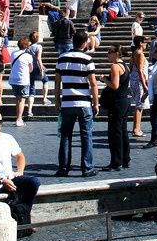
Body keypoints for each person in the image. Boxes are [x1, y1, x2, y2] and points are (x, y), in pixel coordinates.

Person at [55, 32, 99, 178]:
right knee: (86, 136)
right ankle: (87, 168)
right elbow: (93, 83)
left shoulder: (62, 57)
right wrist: (96, 103)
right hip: (84, 102)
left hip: (67, 102)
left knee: (65, 136)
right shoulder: (87, 59)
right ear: (85, 43)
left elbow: (57, 82)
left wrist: (57, 100)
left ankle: (63, 168)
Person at [100, 45, 131, 171]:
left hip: (117, 103)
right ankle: (125, 159)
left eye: (109, 52)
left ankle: (116, 162)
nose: (107, 54)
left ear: (116, 53)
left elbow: (114, 85)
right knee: (123, 131)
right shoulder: (126, 65)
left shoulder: (115, 66)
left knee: (114, 133)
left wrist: (104, 79)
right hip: (124, 101)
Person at [9, 37, 35, 126]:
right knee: (22, 100)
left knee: (17, 99)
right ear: (27, 46)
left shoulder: (13, 54)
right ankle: (19, 119)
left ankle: (18, 117)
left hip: (13, 78)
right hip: (23, 79)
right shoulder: (28, 56)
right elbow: (31, 69)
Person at [130, 37, 150, 137]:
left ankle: (136, 128)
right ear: (141, 43)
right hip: (139, 81)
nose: (147, 45)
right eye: (145, 42)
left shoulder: (135, 53)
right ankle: (136, 129)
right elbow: (140, 70)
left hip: (135, 80)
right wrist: (144, 85)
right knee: (140, 104)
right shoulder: (139, 54)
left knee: (139, 104)